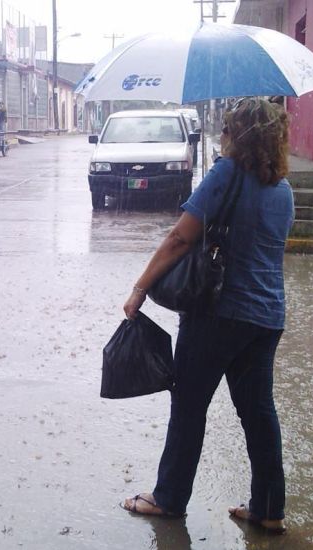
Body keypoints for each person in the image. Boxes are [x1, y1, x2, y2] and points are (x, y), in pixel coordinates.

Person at [119, 98, 294, 535]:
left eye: (228, 128)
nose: (223, 135)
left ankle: (168, 498)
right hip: (267, 316)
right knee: (258, 412)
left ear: (237, 135)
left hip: (218, 313)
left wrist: (140, 287)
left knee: (189, 405)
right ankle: (269, 508)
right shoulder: (283, 189)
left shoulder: (225, 174)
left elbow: (180, 238)